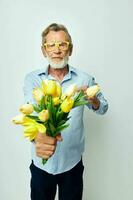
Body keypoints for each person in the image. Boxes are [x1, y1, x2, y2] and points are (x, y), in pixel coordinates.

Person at [23, 23, 108, 200]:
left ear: (70, 49)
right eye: (51, 45)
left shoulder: (84, 79)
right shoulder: (33, 79)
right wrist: (36, 137)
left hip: (72, 163)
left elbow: (104, 108)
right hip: (41, 164)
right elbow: (34, 113)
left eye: (63, 44)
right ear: (43, 51)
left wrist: (93, 100)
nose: (57, 50)